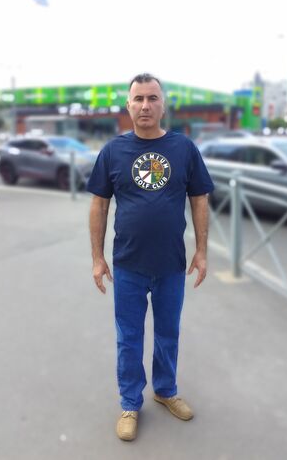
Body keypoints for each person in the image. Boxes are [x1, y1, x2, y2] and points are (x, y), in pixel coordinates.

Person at [87, 73, 214, 441]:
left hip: (171, 264)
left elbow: (199, 199)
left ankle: (165, 390)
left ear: (163, 105)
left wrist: (201, 251)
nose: (145, 105)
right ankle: (130, 402)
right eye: (138, 99)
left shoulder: (184, 148)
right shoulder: (112, 151)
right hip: (128, 264)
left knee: (167, 333)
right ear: (128, 105)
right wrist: (97, 258)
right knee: (128, 337)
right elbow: (99, 205)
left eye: (152, 98)